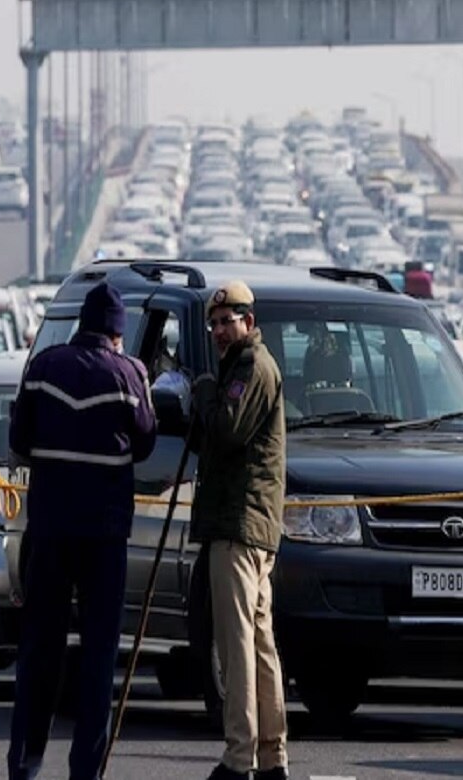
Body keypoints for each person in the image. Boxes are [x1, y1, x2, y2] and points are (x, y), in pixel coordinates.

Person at [6, 281, 157, 780]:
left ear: (81, 324)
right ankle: (85, 771)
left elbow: (19, 438)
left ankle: (25, 762)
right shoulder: (128, 373)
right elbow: (145, 442)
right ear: (117, 333)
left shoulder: (44, 367)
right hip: (104, 536)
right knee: (97, 658)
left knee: (40, 650)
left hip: (48, 529)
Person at [191, 281, 289, 780]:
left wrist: (202, 390)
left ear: (249, 322)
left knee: (238, 647)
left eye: (228, 321)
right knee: (259, 644)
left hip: (238, 524)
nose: (220, 331)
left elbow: (227, 428)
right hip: (250, 524)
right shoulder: (246, 366)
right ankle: (271, 757)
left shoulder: (250, 367)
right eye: (214, 324)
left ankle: (239, 758)